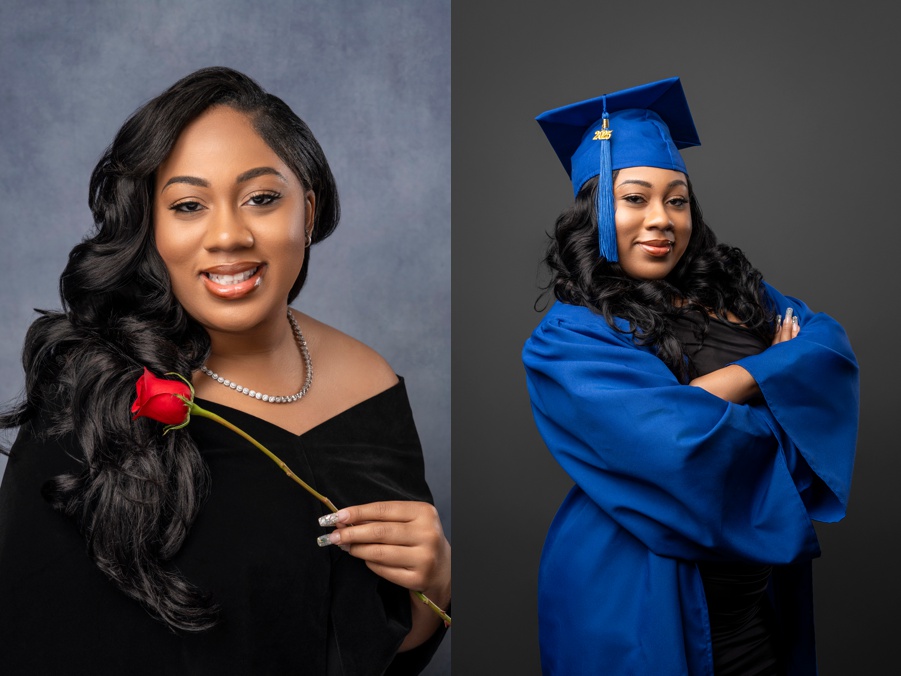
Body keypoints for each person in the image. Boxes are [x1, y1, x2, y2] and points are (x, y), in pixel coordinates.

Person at [0, 67, 450, 675]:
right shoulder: (90, 397)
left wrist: (436, 583)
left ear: (309, 211)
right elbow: (30, 638)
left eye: (262, 198)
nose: (228, 236)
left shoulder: (369, 380)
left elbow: (369, 646)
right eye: (188, 206)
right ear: (152, 230)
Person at [522, 78, 858, 675]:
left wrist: (713, 391)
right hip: (636, 597)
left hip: (754, 603)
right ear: (595, 208)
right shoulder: (568, 337)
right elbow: (674, 446)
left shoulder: (729, 288)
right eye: (635, 199)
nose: (661, 220)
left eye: (676, 200)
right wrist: (769, 371)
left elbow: (828, 345)